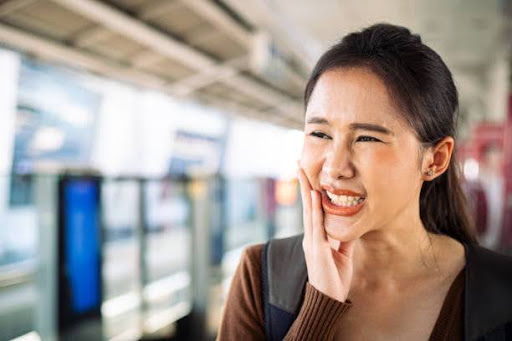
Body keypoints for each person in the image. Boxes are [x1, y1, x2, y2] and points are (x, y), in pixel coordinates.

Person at [217, 23, 512, 340]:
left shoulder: (502, 294)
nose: (335, 167)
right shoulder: (261, 277)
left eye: (367, 138)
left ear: (435, 159)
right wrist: (320, 306)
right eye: (320, 134)